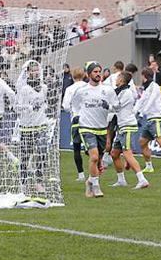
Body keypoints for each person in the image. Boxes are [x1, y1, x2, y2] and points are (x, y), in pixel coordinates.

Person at [70, 61, 119, 198]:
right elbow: (73, 105)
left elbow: (117, 106)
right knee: (94, 157)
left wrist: (108, 106)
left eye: (99, 72)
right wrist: (76, 116)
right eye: (95, 72)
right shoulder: (81, 91)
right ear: (88, 74)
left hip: (102, 128)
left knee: (98, 161)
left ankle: (89, 182)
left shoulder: (108, 90)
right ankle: (96, 187)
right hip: (86, 127)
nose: (98, 74)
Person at [13, 60, 52, 195]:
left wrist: (44, 108)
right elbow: (16, 107)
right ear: (28, 73)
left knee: (42, 152)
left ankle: (39, 181)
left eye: (37, 70)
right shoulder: (24, 89)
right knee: (25, 157)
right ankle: (23, 184)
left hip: (41, 126)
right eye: (32, 70)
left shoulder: (44, 88)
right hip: (27, 128)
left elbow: (44, 103)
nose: (35, 72)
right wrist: (30, 107)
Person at [108, 71, 150, 189]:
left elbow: (117, 107)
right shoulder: (120, 92)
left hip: (127, 126)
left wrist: (105, 106)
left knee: (127, 153)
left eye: (118, 77)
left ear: (121, 80)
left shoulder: (126, 93)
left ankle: (142, 179)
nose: (115, 79)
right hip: (121, 126)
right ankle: (121, 180)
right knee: (115, 153)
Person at [135, 65, 161, 175]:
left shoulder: (154, 86)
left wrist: (142, 112)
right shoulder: (147, 88)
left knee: (160, 139)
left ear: (144, 76)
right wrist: (135, 112)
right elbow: (141, 101)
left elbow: (151, 100)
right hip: (149, 118)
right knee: (142, 142)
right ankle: (149, 166)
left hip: (156, 117)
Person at [61, 66, 88, 181]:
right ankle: (95, 171)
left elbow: (65, 106)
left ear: (72, 76)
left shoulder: (70, 89)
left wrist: (73, 108)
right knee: (92, 146)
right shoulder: (88, 86)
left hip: (76, 118)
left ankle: (81, 174)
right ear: (84, 75)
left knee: (77, 148)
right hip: (89, 118)